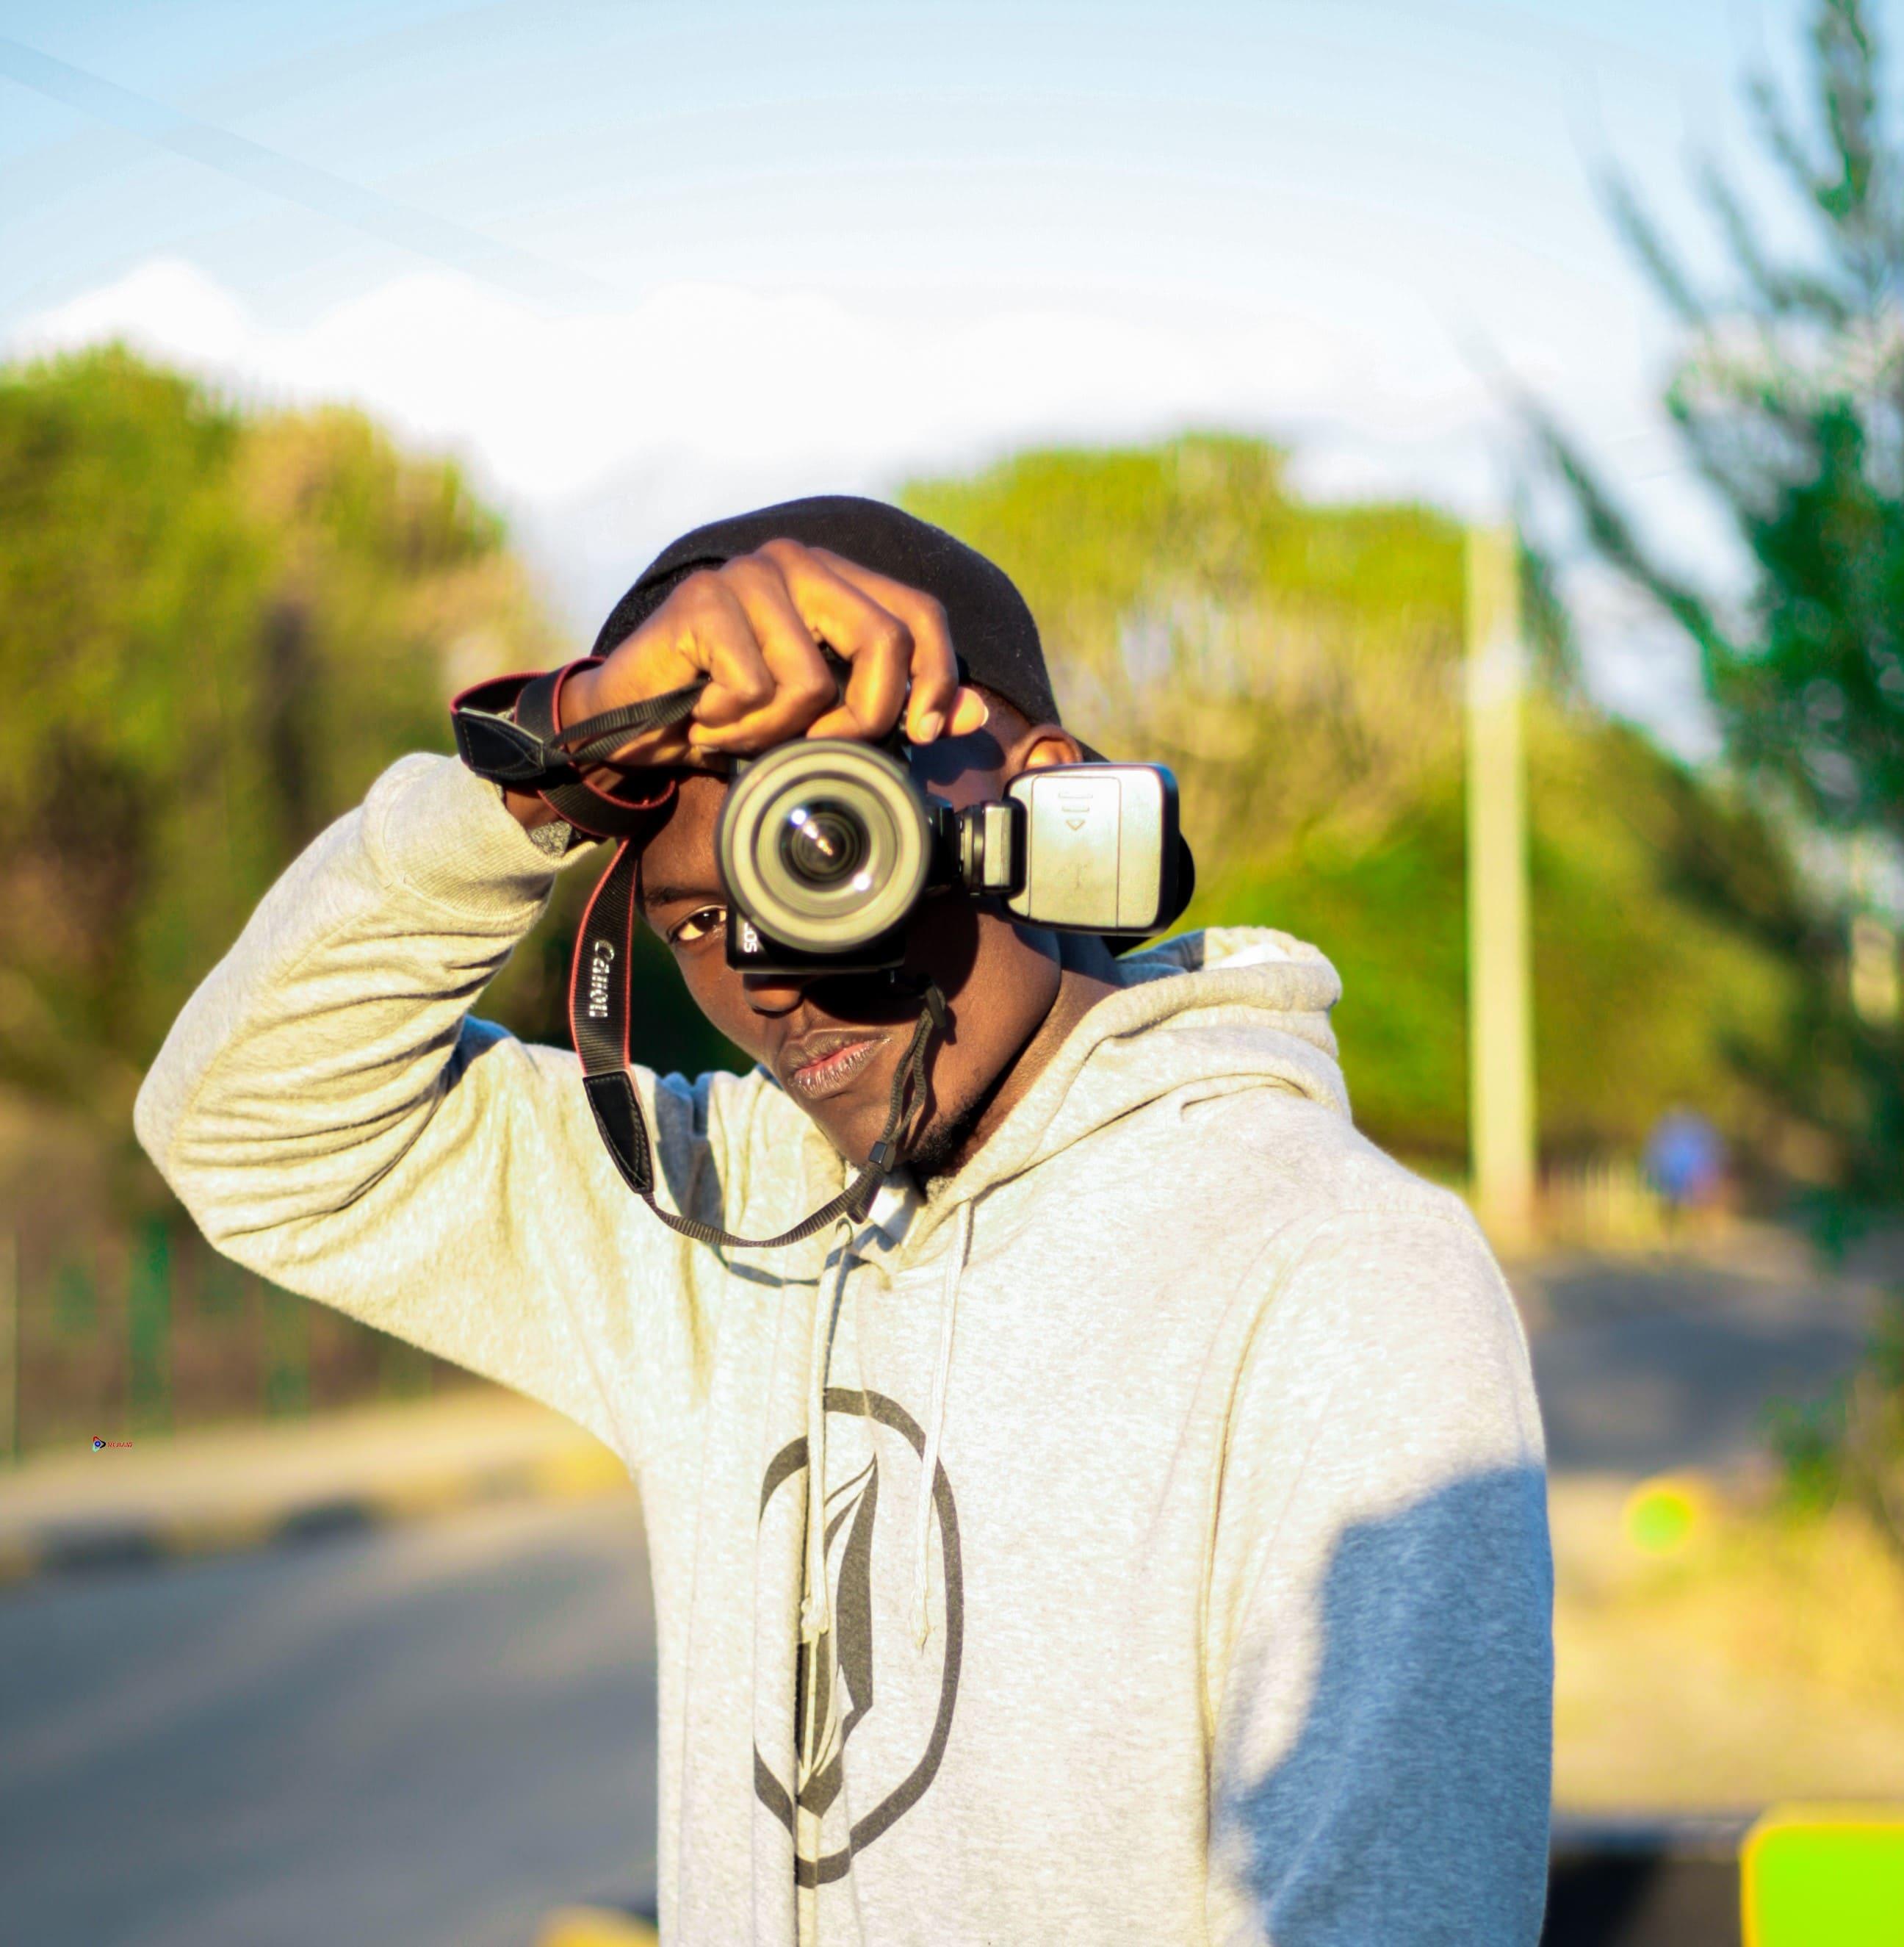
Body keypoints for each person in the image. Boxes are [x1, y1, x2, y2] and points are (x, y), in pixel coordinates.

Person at [137, 496, 1553, 1946]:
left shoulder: (1335, 1269)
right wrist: (541, 765)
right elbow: (241, 1126)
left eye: (818, 852)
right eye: (693, 921)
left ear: (1050, 809)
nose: (769, 981)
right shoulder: (712, 1213)